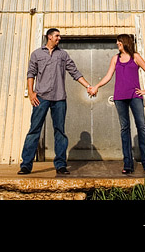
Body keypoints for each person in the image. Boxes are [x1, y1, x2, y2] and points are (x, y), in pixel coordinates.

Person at [18, 28, 94, 175]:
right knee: (34, 130)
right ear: (49, 37)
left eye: (59, 36)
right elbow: (31, 74)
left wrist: (88, 86)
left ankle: (60, 165)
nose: (59, 38)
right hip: (41, 97)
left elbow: (74, 72)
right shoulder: (37, 54)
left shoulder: (63, 55)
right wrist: (31, 93)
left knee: (60, 131)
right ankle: (26, 165)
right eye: (57, 36)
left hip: (59, 98)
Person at [89, 34, 145, 175]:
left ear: (125, 42)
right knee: (125, 129)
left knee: (141, 127)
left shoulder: (135, 57)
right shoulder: (115, 59)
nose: (117, 43)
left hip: (135, 96)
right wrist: (97, 86)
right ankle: (128, 164)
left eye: (119, 41)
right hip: (119, 98)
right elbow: (108, 75)